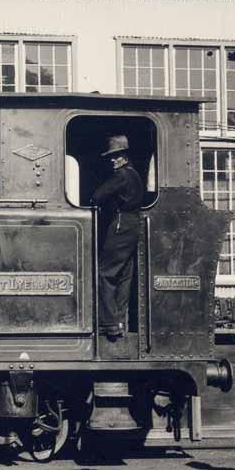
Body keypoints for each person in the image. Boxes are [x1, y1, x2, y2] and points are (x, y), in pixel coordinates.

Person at [90, 134, 143, 339]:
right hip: (132, 225)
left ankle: (109, 324)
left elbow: (97, 196)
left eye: (115, 156)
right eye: (111, 157)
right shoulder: (134, 174)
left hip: (120, 225)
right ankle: (120, 320)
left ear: (124, 156)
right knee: (123, 275)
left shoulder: (121, 176)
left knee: (105, 273)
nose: (112, 160)